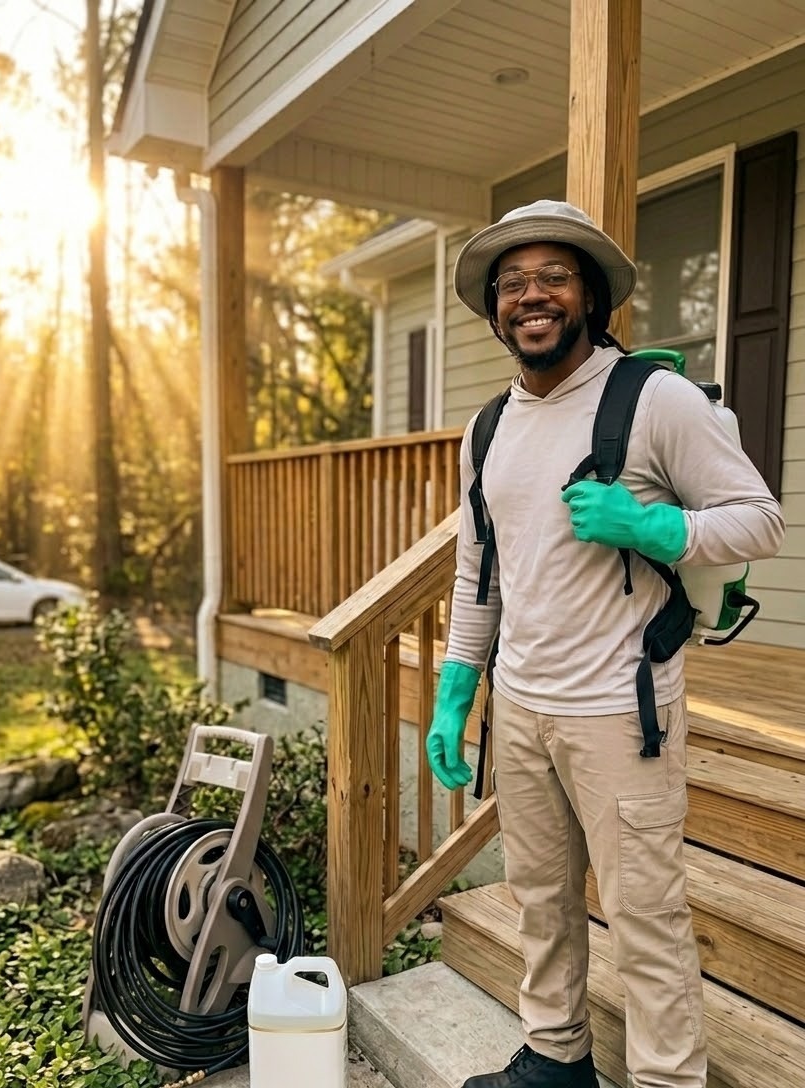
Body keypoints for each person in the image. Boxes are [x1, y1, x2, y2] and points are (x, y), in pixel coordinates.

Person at [426, 199, 786, 1088]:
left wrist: (658, 530)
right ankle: (556, 1060)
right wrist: (456, 688)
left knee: (646, 920)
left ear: (590, 293)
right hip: (521, 708)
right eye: (512, 285)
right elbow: (482, 569)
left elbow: (761, 519)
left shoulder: (653, 399)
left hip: (623, 715)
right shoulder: (488, 427)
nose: (531, 296)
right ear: (495, 309)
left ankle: (669, 1079)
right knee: (540, 902)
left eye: (553, 276)